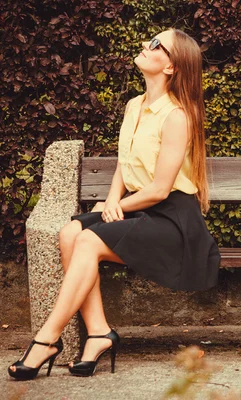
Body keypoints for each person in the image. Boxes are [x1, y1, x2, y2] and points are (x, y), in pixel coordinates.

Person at [8, 29, 220, 380]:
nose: (144, 45)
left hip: (174, 220)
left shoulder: (179, 116)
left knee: (88, 241)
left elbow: (161, 189)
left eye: (156, 44)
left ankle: (46, 340)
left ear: (171, 66)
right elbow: (125, 161)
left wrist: (119, 206)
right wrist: (110, 199)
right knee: (70, 233)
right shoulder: (134, 105)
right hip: (139, 207)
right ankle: (98, 334)